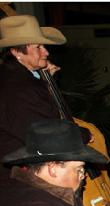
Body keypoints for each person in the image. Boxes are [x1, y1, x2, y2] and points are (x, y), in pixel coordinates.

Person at [0, 14, 67, 183]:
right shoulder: (18, 85)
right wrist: (82, 134)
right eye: (38, 47)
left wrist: (46, 80)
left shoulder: (24, 76)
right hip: (19, 174)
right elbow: (43, 132)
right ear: (16, 52)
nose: (46, 51)